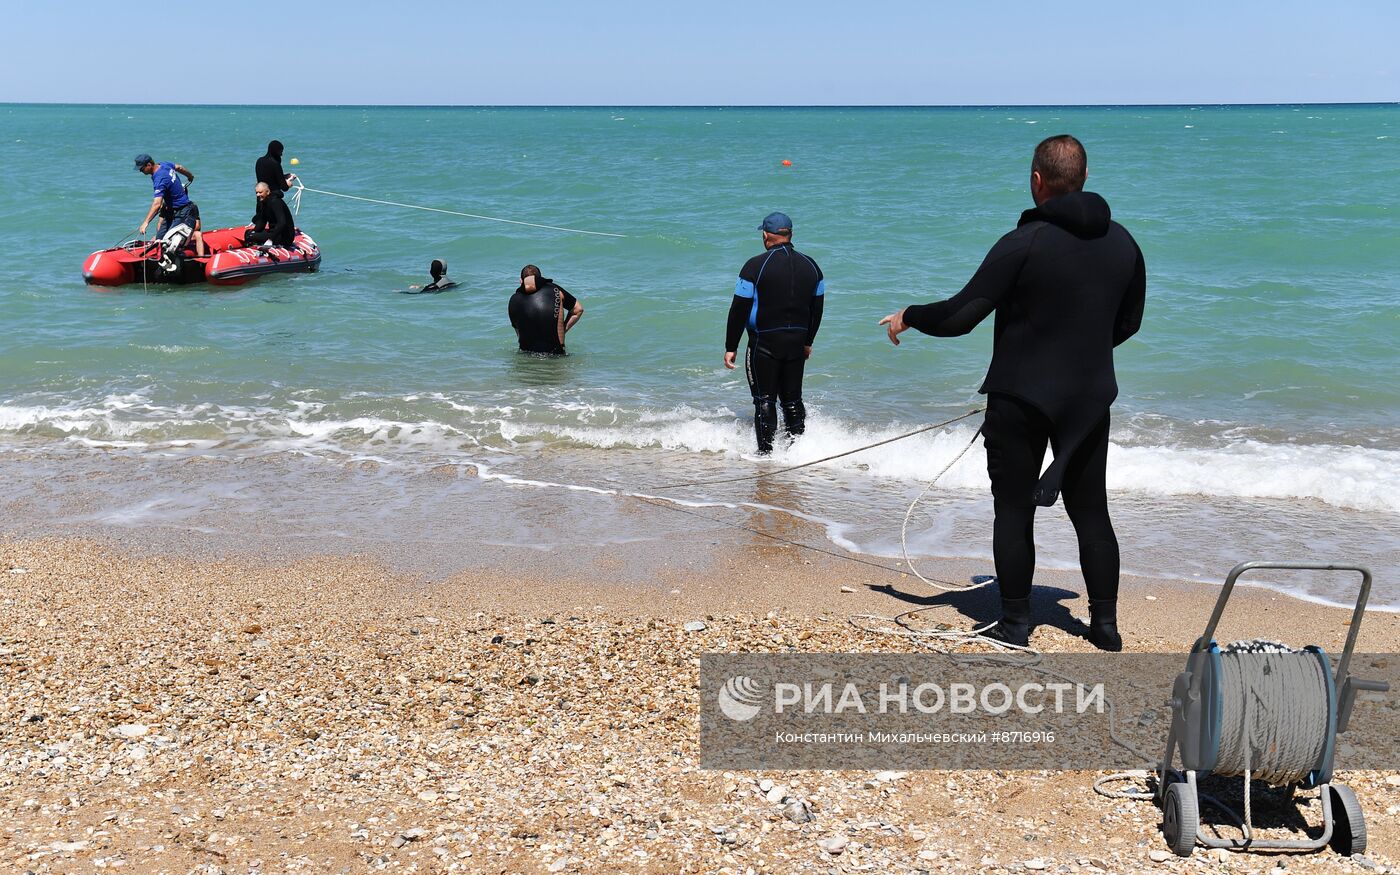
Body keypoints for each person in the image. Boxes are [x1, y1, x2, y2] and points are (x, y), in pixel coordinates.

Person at [879, 135, 1146, 652]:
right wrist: (1081, 354)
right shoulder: (1123, 242)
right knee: (1091, 510)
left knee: (1014, 509)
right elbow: (1129, 322)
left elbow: (960, 316)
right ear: (1085, 178)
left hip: (1021, 397)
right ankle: (1105, 626)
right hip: (1089, 399)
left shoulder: (1024, 242)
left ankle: (1016, 623)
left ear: (1036, 180)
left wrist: (910, 315)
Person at [723, 211, 825, 454]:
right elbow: (817, 309)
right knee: (792, 400)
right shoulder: (812, 266)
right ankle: (796, 453)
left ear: (766, 236)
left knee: (764, 400)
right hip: (797, 342)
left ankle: (765, 456)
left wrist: (731, 346)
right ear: (790, 234)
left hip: (764, 343)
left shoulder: (754, 266)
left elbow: (739, 309)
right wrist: (808, 341)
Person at [135, 153, 203, 256]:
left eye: (141, 168)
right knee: (159, 240)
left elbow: (157, 204)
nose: (141, 171)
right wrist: (189, 176)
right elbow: (179, 167)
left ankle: (180, 259)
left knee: (169, 243)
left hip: (183, 211)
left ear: (149, 165)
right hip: (170, 211)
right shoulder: (163, 164)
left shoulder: (160, 179)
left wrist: (145, 222)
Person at [508, 265, 583, 354]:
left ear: (521, 281)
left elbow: (519, 333)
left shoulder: (513, 300)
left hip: (526, 356)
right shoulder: (555, 289)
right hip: (555, 356)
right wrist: (562, 330)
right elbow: (578, 309)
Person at [246, 182, 296, 247]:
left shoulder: (275, 202)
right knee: (248, 233)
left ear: (268, 192)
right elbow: (262, 222)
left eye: (260, 192)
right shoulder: (263, 202)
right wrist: (254, 231)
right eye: (256, 193)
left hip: (285, 236)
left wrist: (270, 239)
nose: (258, 195)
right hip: (274, 233)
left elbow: (282, 223)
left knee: (251, 236)